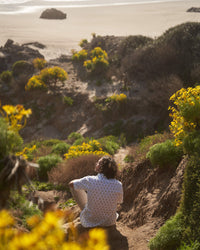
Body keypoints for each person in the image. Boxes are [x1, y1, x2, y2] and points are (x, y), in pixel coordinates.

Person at [69, 156, 123, 229]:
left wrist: (78, 180)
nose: (96, 163)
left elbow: (71, 184)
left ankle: (87, 209)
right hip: (110, 222)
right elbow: (119, 201)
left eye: (98, 162)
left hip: (91, 221)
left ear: (101, 167)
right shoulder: (118, 184)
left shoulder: (90, 180)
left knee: (75, 186)